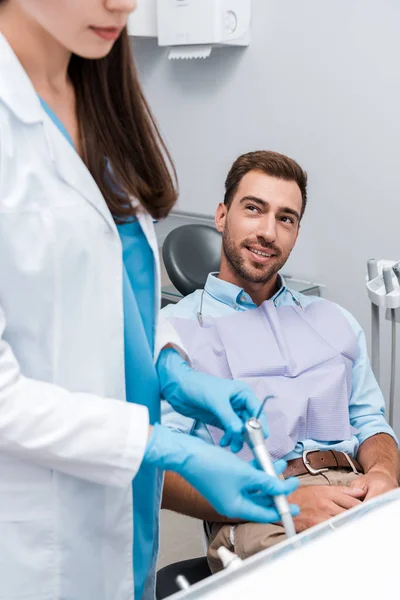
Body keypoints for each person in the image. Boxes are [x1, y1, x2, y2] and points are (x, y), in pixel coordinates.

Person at [0, 5, 299, 599]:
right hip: (35, 536)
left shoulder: (96, 99)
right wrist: (161, 444)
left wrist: (168, 368)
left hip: (124, 515)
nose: (125, 4)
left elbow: (109, 287)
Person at [161, 150, 400, 573]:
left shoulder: (333, 320)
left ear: (296, 232)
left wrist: (384, 475)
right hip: (257, 508)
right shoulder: (174, 331)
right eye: (254, 209)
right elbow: (161, 466)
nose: (268, 231)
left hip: (358, 490)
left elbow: (372, 423)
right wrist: (280, 503)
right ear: (222, 216)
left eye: (285, 218)